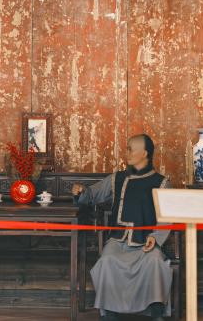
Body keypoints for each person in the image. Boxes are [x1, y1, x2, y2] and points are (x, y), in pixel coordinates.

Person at [72, 134, 172, 321]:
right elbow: (92, 195)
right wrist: (81, 191)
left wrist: (155, 237)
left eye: (130, 149)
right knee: (107, 260)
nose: (127, 152)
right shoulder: (116, 178)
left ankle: (155, 311)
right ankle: (109, 313)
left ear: (145, 153)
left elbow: (166, 216)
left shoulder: (162, 182)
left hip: (146, 241)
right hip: (118, 240)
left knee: (155, 261)